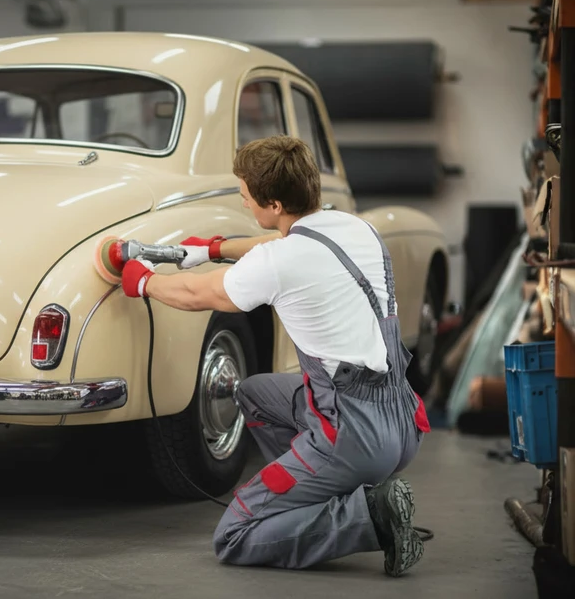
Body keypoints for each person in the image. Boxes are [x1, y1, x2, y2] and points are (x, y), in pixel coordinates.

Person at [119, 135, 431, 576]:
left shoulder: (279, 262)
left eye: (247, 197)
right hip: (400, 416)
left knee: (234, 536)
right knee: (254, 393)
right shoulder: (355, 227)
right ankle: (320, 494)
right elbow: (274, 248)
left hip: (352, 435)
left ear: (276, 205)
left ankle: (369, 516)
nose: (245, 203)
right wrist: (213, 249)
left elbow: (198, 293)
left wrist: (142, 280)